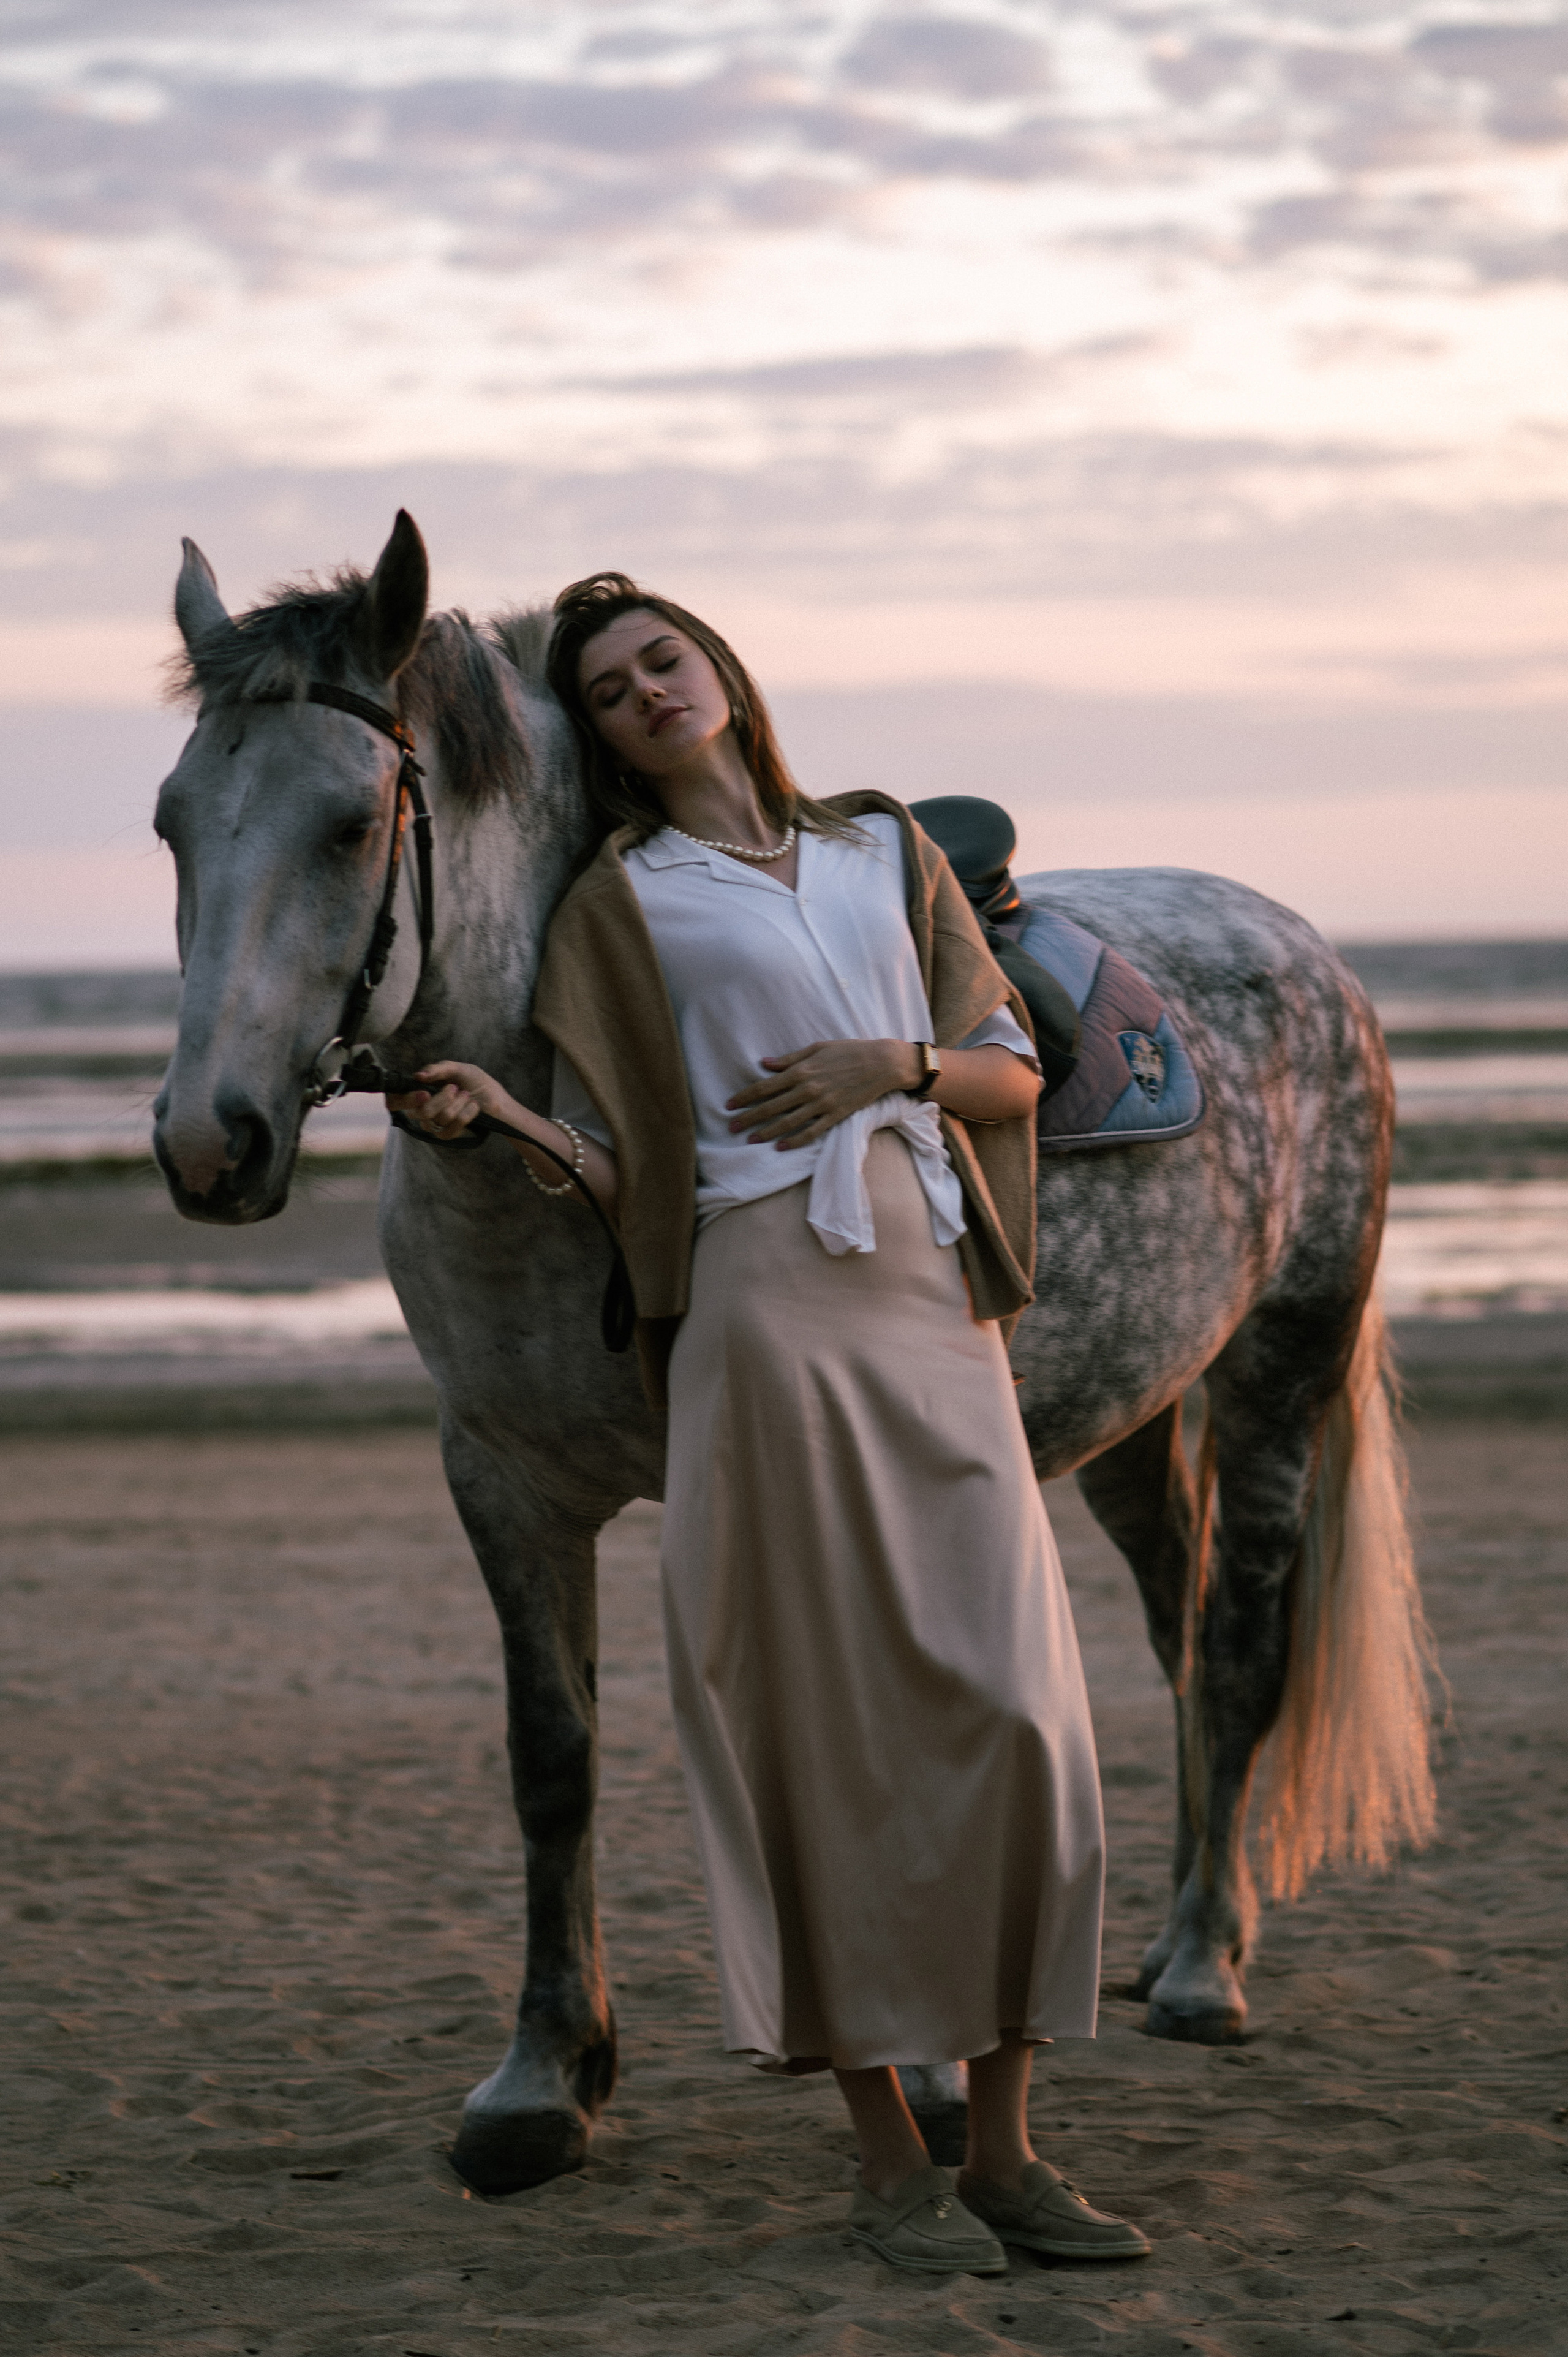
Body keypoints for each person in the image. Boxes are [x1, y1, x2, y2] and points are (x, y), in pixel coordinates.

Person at [390, 575, 1149, 2277]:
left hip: (935, 1310)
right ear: (598, 737)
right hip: (759, 1312)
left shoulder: (887, 849)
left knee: (1018, 1723)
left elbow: (1011, 1075)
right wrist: (506, 1113)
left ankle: (1009, 2155)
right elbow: (635, 1174)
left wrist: (894, 1065)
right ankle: (889, 2164)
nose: (647, 694)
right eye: (609, 691)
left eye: (663, 660)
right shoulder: (619, 904)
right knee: (816, 1742)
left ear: (721, 668)